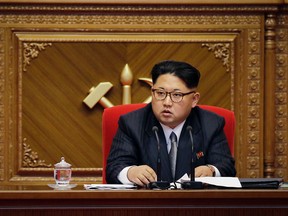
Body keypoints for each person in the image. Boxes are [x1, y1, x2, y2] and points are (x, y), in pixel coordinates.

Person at [106, 60, 236, 187]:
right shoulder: (131, 123)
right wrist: (130, 172)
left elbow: (226, 167)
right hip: (147, 204)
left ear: (194, 99)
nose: (167, 102)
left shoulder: (211, 124)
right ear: (152, 92)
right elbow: (114, 168)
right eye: (160, 93)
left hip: (195, 205)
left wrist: (211, 171)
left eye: (177, 95)